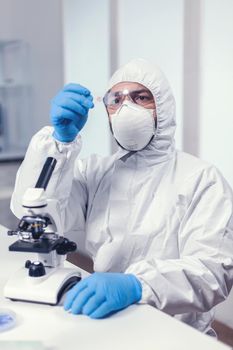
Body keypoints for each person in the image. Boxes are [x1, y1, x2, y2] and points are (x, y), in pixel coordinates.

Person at [11, 58, 233, 335]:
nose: (127, 108)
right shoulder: (97, 172)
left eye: (141, 98)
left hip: (175, 333)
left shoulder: (201, 179)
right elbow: (33, 209)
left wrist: (136, 285)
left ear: (162, 107)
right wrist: (60, 142)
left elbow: (212, 272)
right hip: (105, 318)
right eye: (116, 100)